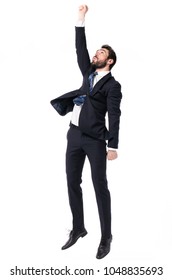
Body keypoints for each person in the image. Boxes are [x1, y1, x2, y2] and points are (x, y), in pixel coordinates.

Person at [50, 4, 122, 259]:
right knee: (72, 182)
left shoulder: (113, 86)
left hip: (94, 140)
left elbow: (114, 114)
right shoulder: (87, 73)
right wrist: (80, 19)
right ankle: (79, 228)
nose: (95, 54)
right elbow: (80, 48)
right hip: (74, 136)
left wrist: (112, 145)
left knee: (99, 186)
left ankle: (106, 237)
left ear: (109, 61)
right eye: (96, 51)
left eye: (101, 53)